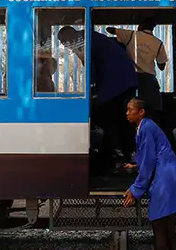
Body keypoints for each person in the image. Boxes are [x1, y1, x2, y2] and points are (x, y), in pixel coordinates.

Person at [122, 97, 176, 250]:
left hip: (164, 180)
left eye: (130, 109)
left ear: (141, 111)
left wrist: (135, 190)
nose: (127, 113)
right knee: (169, 229)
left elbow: (150, 161)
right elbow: (150, 157)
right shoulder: (146, 127)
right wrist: (136, 166)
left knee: (159, 228)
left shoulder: (146, 128)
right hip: (172, 175)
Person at [58, 26, 137, 160]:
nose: (65, 46)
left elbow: (90, 67)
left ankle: (117, 153)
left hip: (115, 83)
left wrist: (92, 92)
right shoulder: (91, 36)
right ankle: (126, 152)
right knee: (123, 119)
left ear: (68, 38)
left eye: (64, 42)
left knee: (107, 117)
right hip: (127, 79)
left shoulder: (82, 41)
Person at [106, 18, 168, 114]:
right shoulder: (158, 43)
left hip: (131, 78)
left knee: (130, 108)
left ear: (140, 26)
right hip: (149, 81)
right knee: (151, 108)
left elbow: (109, 29)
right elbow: (162, 66)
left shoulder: (131, 35)